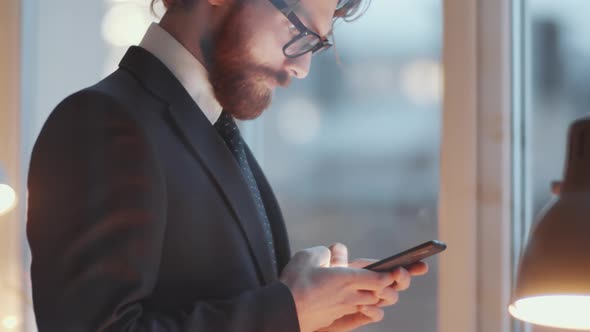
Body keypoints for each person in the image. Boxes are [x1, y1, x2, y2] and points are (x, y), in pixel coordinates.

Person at [26, 0, 429, 331]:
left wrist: (307, 313)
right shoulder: (101, 121)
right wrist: (289, 310)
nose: (301, 68)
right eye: (299, 31)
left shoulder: (210, 125)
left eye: (316, 45)